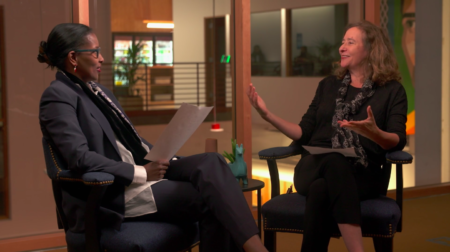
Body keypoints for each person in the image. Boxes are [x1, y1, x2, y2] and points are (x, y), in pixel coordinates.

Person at [38, 23, 267, 252]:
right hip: (115, 190)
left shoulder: (100, 91)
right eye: (95, 52)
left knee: (212, 161)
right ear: (73, 57)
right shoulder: (58, 96)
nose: (102, 58)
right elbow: (80, 158)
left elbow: (131, 142)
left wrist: (170, 159)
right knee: (212, 199)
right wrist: (142, 173)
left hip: (140, 168)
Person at [248, 21, 407, 252]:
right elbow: (303, 133)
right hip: (312, 166)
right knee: (333, 161)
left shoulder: (391, 91)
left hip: (363, 173)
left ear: (371, 49)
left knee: (322, 190)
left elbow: (397, 139)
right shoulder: (327, 86)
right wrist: (267, 115)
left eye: (350, 42)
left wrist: (376, 134)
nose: (342, 47)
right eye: (342, 41)